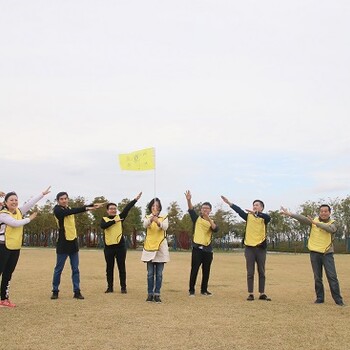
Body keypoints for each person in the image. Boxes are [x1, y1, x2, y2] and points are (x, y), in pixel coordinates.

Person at [280, 205, 344, 306]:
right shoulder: (313, 221)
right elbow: (303, 218)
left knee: (332, 277)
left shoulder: (333, 223)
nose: (323, 213)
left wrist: (316, 223)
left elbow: (330, 229)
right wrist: (290, 214)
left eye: (325, 211)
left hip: (327, 254)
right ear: (319, 212)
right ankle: (320, 298)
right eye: (321, 211)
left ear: (329, 213)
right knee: (317, 277)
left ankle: (338, 300)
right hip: (314, 253)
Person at [0, 187, 51, 307]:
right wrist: (29, 219)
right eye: (11, 200)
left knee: (8, 274)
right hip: (3, 246)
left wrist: (41, 194)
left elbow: (30, 203)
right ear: (6, 202)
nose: (14, 202)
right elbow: (15, 223)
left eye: (16, 200)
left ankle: (4, 299)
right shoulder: (3, 214)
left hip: (15, 248)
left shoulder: (19, 211)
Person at [51, 192, 104, 300]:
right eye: (61, 199)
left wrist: (92, 205)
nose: (64, 200)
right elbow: (73, 211)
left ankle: (77, 291)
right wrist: (88, 208)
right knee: (58, 269)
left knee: (75, 269)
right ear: (57, 200)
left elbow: (74, 209)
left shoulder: (68, 208)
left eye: (65, 198)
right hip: (62, 243)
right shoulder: (57, 210)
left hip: (73, 243)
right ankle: (55, 291)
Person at [221, 195, 271, 301]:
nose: (254, 207)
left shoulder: (264, 218)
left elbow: (268, 218)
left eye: (257, 205)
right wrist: (229, 203)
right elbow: (238, 211)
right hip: (249, 248)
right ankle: (251, 293)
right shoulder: (248, 216)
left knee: (261, 271)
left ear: (261, 208)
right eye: (253, 205)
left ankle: (262, 293)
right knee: (250, 272)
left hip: (260, 248)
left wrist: (257, 214)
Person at [100, 192, 142, 294]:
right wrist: (114, 221)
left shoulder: (120, 217)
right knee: (109, 268)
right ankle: (110, 287)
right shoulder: (104, 219)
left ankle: (123, 287)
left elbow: (127, 208)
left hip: (120, 247)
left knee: (121, 267)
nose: (113, 210)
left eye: (115, 208)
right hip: (109, 247)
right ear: (107, 210)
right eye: (111, 209)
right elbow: (103, 226)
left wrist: (135, 200)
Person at [185, 190, 218, 297]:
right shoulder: (197, 219)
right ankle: (191, 290)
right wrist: (189, 200)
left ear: (210, 210)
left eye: (207, 208)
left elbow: (215, 228)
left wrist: (208, 219)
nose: (205, 210)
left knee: (206, 270)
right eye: (203, 208)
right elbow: (191, 209)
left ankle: (204, 290)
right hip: (197, 249)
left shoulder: (211, 221)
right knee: (194, 269)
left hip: (208, 249)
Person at [141, 197, 169, 303]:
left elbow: (165, 227)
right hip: (149, 247)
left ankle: (157, 294)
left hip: (161, 248)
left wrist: (158, 222)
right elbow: (145, 224)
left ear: (160, 207)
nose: (155, 208)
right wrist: (151, 219)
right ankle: (150, 294)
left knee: (159, 274)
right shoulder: (147, 217)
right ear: (150, 207)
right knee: (150, 273)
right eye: (153, 206)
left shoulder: (164, 217)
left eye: (157, 206)